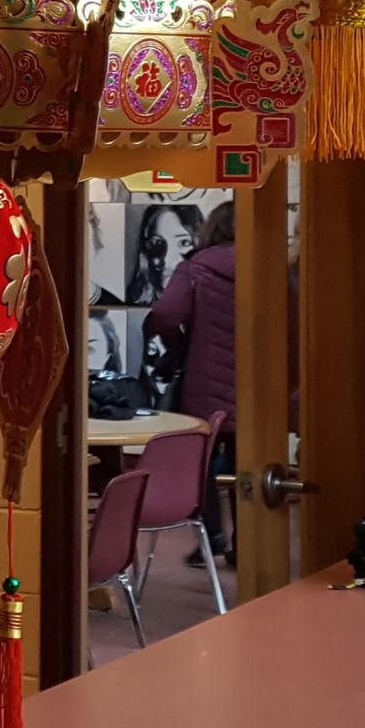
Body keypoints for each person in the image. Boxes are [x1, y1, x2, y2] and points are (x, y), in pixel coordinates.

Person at [146, 199, 239, 552]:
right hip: (259, 385)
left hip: (205, 382)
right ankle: (248, 543)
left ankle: (212, 538)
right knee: (252, 468)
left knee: (204, 465)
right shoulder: (268, 267)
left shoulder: (195, 269)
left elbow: (166, 314)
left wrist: (183, 341)